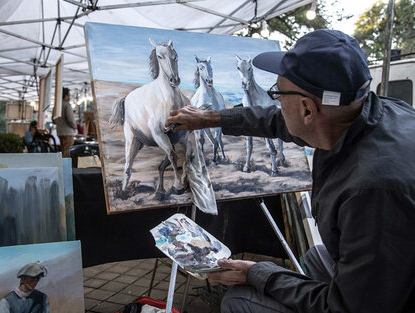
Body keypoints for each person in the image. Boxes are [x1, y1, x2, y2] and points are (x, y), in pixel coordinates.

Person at [167, 29, 415, 313]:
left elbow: (347, 308)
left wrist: (259, 274)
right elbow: (279, 120)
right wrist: (209, 118)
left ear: (308, 110)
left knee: (239, 302)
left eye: (277, 93)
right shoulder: (371, 114)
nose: (276, 102)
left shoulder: (371, 191)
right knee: (317, 256)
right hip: (391, 269)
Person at [54, 87, 77, 157]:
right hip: (68, 132)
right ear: (65, 96)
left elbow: (53, 119)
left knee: (63, 150)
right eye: (69, 95)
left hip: (60, 132)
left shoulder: (56, 105)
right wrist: (75, 126)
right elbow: (70, 119)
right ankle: (65, 167)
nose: (69, 97)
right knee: (67, 152)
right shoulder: (67, 105)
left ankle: (62, 165)